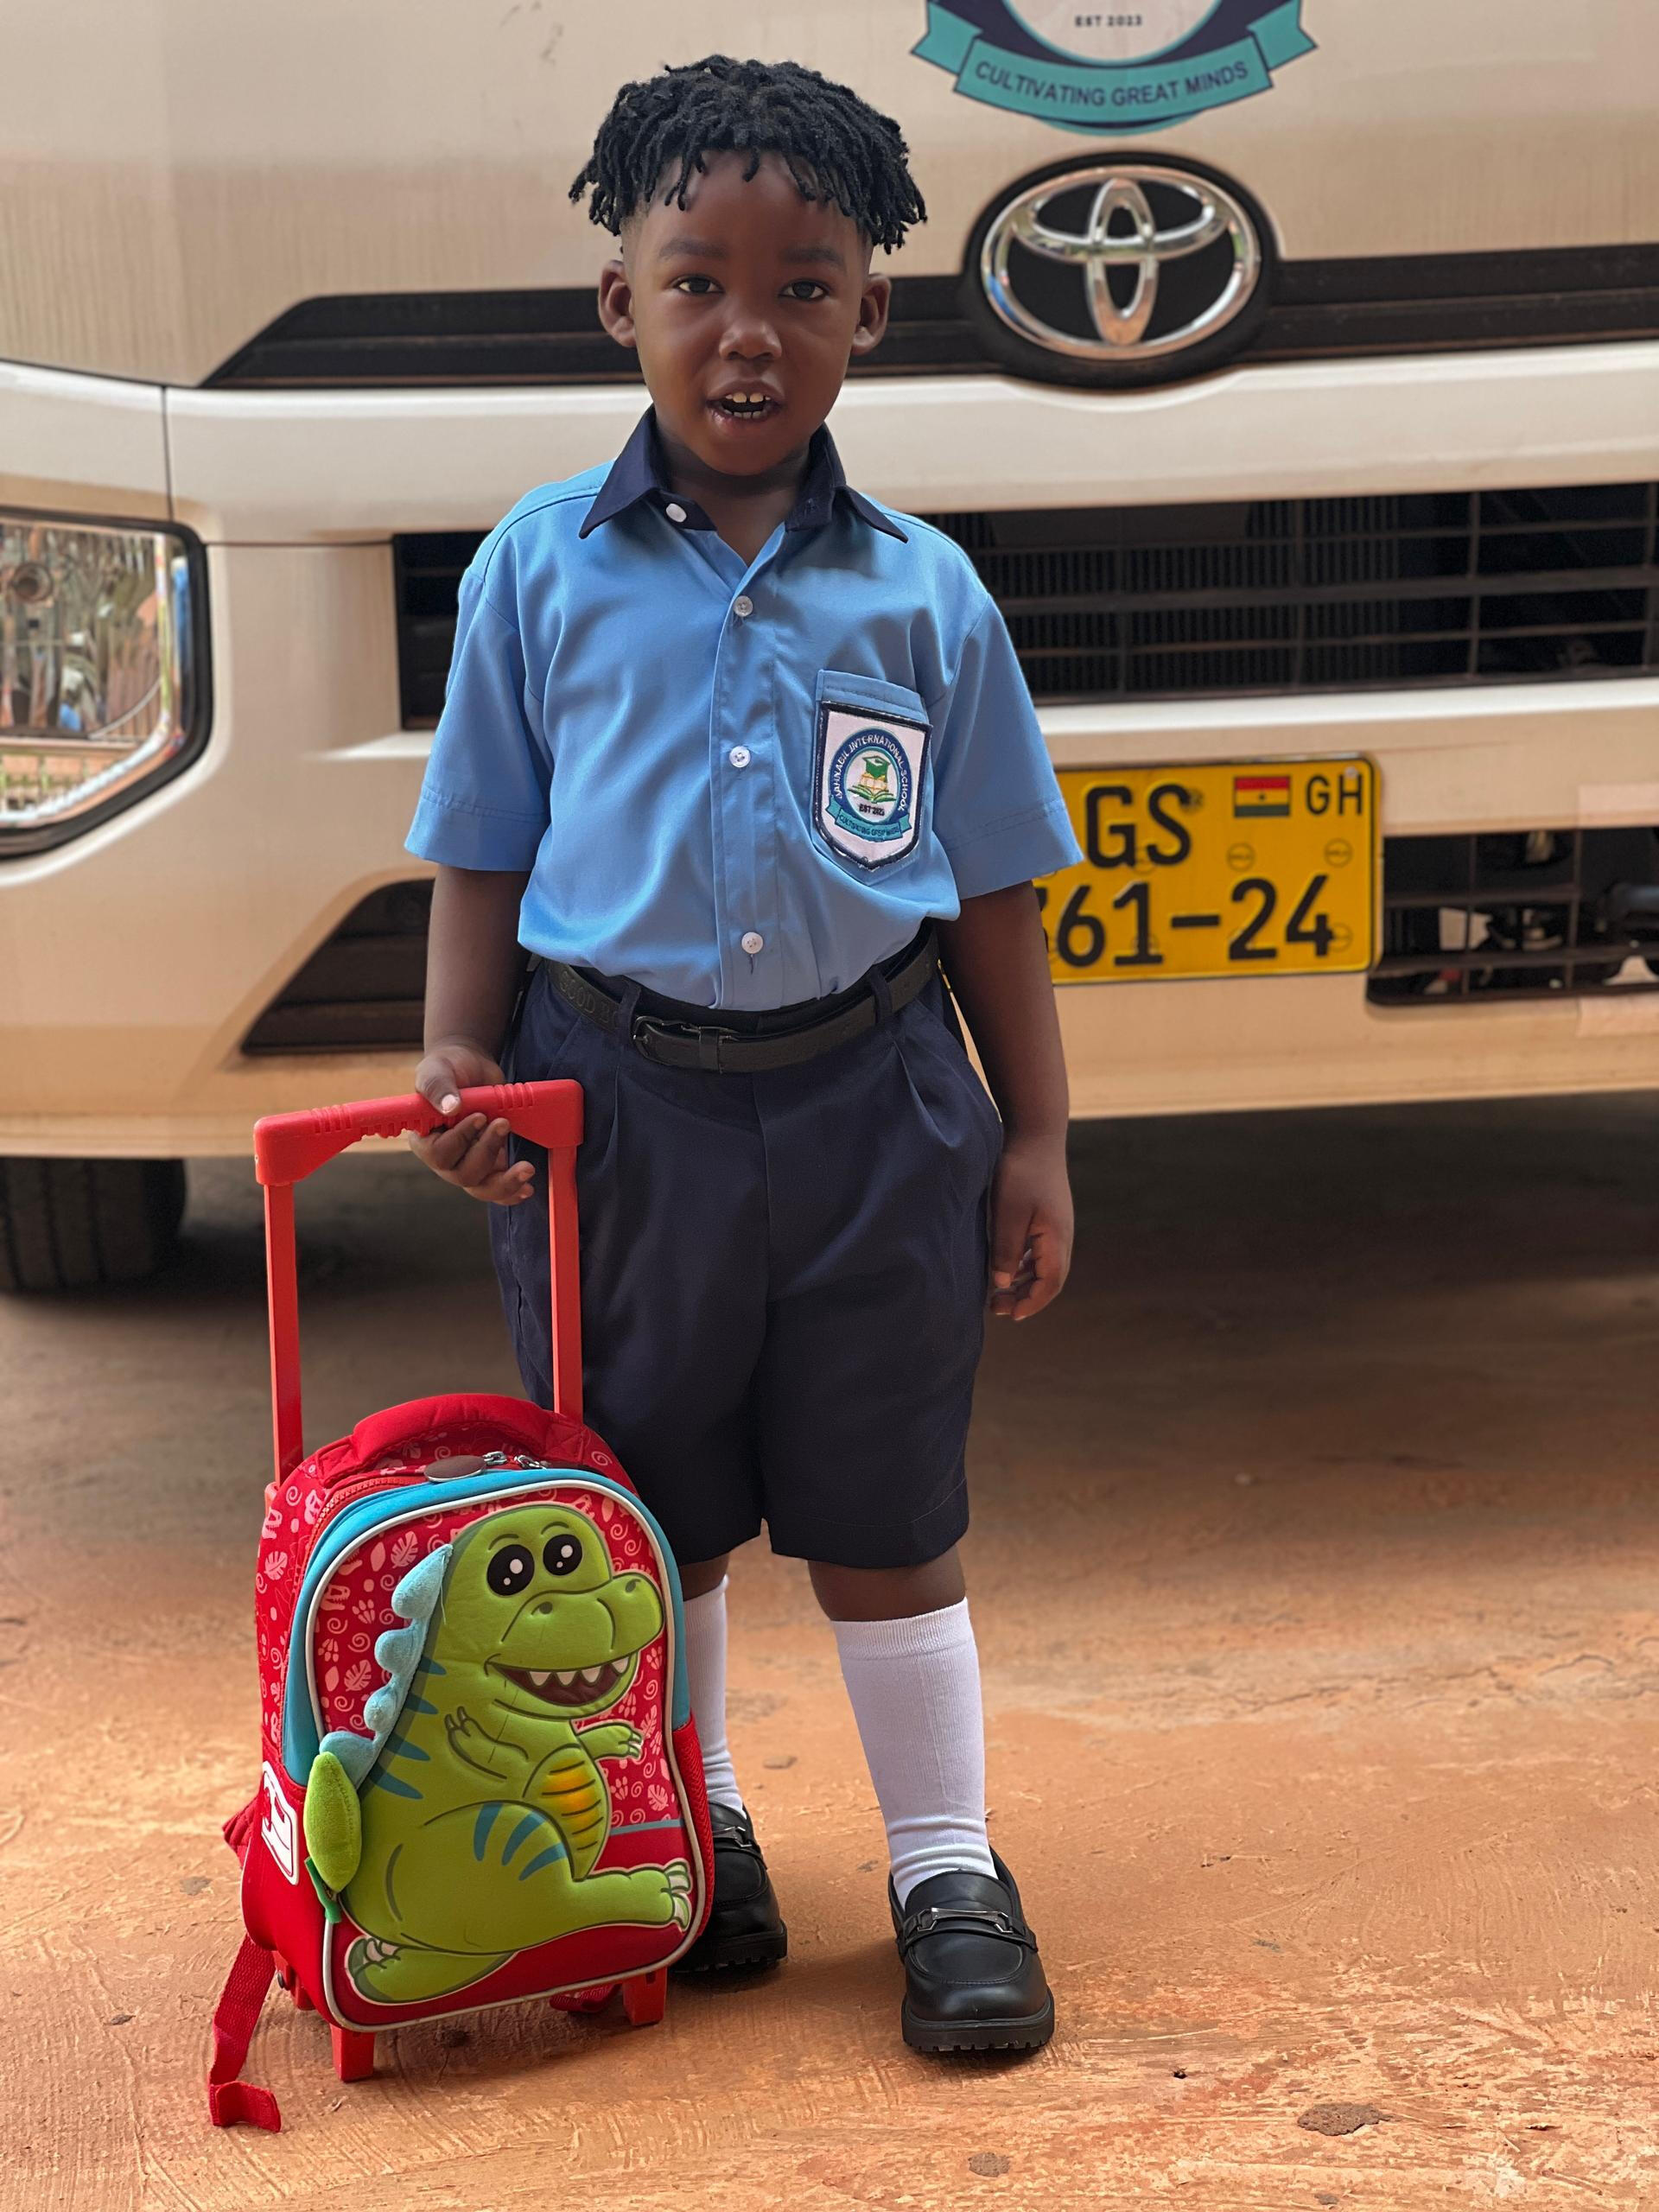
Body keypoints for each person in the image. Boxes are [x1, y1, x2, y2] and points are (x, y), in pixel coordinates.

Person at [405, 54, 1083, 2055]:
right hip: (617, 1116)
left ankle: (947, 1861)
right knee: (655, 1508)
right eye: (699, 278)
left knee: (890, 1507)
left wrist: (1033, 1133)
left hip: (881, 1107)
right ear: (620, 301)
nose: (749, 330)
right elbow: (483, 844)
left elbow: (988, 886)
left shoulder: (925, 594)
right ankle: (688, 1821)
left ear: (871, 312)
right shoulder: (539, 570)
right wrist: (457, 1054)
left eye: (805, 285)